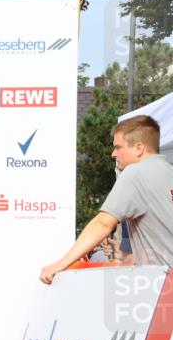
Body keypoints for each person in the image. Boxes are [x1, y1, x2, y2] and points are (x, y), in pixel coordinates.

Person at [41, 115, 173, 282]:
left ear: (139, 148)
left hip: (165, 288)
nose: (113, 154)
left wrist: (60, 265)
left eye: (118, 147)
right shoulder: (169, 172)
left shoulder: (135, 173)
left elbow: (103, 223)